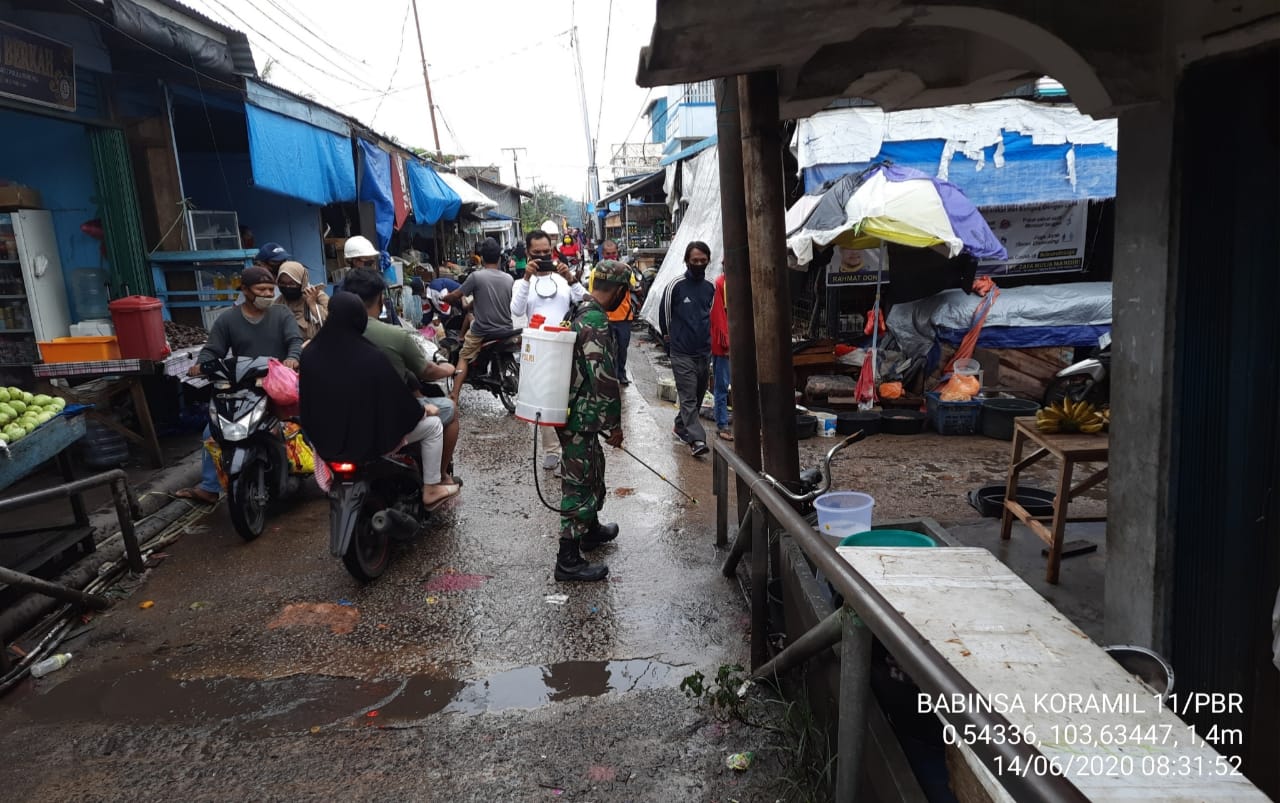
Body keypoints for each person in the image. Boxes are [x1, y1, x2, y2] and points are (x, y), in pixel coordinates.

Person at [300, 293, 459, 510]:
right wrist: (422, 412)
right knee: (432, 427)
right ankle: (432, 487)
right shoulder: (370, 356)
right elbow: (396, 399)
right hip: (367, 441)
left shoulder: (309, 354)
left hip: (327, 443)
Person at [177, 266, 303, 504]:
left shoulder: (282, 314)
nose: (267, 294)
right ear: (245, 290)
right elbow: (213, 350)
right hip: (243, 385)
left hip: (278, 384)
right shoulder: (228, 319)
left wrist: (293, 358)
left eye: (270, 289)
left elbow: (294, 341)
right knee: (211, 432)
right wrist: (202, 365)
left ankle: (324, 474)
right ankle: (210, 487)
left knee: (302, 421)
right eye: (261, 289)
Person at [343, 268, 462, 487]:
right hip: (387, 420)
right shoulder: (394, 335)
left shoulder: (328, 336)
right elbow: (425, 370)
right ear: (380, 298)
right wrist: (447, 369)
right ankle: (439, 479)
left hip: (344, 422)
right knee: (449, 411)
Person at [554, 259, 631, 582]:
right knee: (579, 480)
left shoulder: (578, 308)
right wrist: (613, 424)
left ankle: (590, 530)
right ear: (617, 290)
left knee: (593, 467)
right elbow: (602, 377)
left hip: (574, 411)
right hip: (580, 416)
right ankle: (568, 559)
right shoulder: (595, 319)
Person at [511, 230, 585, 471]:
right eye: (537, 253)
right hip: (539, 346)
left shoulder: (564, 279)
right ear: (527, 253)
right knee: (544, 397)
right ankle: (551, 449)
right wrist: (526, 278)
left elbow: (585, 301)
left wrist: (572, 279)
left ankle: (571, 446)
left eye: (546, 252)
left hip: (566, 344)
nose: (542, 257)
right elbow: (517, 310)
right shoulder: (522, 283)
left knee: (569, 396)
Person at [658, 241, 715, 457]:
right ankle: (697, 440)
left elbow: (709, 315)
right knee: (688, 396)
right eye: (695, 261)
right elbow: (664, 313)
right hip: (681, 351)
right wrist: (668, 340)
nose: (699, 264)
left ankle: (681, 426)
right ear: (686, 261)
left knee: (699, 395)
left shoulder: (710, 287)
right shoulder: (676, 286)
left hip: (703, 351)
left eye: (703, 260)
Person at [441, 237, 514, 403]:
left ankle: (454, 395)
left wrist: (446, 297)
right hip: (507, 329)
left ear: (481, 258)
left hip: (484, 330)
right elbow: (490, 298)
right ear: (499, 257)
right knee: (470, 314)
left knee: (464, 356)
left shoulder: (476, 277)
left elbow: (457, 295)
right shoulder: (509, 279)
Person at [595, 239, 638, 386]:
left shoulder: (625, 269)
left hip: (623, 316)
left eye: (614, 254)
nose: (611, 257)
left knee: (622, 347)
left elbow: (632, 285)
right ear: (603, 254)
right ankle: (609, 376)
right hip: (604, 317)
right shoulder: (597, 271)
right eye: (608, 254)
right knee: (604, 349)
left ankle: (621, 373)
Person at [274, 261, 329, 342]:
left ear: (302, 282)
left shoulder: (318, 296)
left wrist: (312, 304)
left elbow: (331, 323)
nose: (287, 287)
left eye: (292, 283)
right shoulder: (278, 302)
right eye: (282, 283)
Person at [710, 272, 732, 441]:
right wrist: (725, 342)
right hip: (724, 345)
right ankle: (722, 425)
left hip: (739, 342)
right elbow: (717, 316)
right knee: (722, 386)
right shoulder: (720, 283)